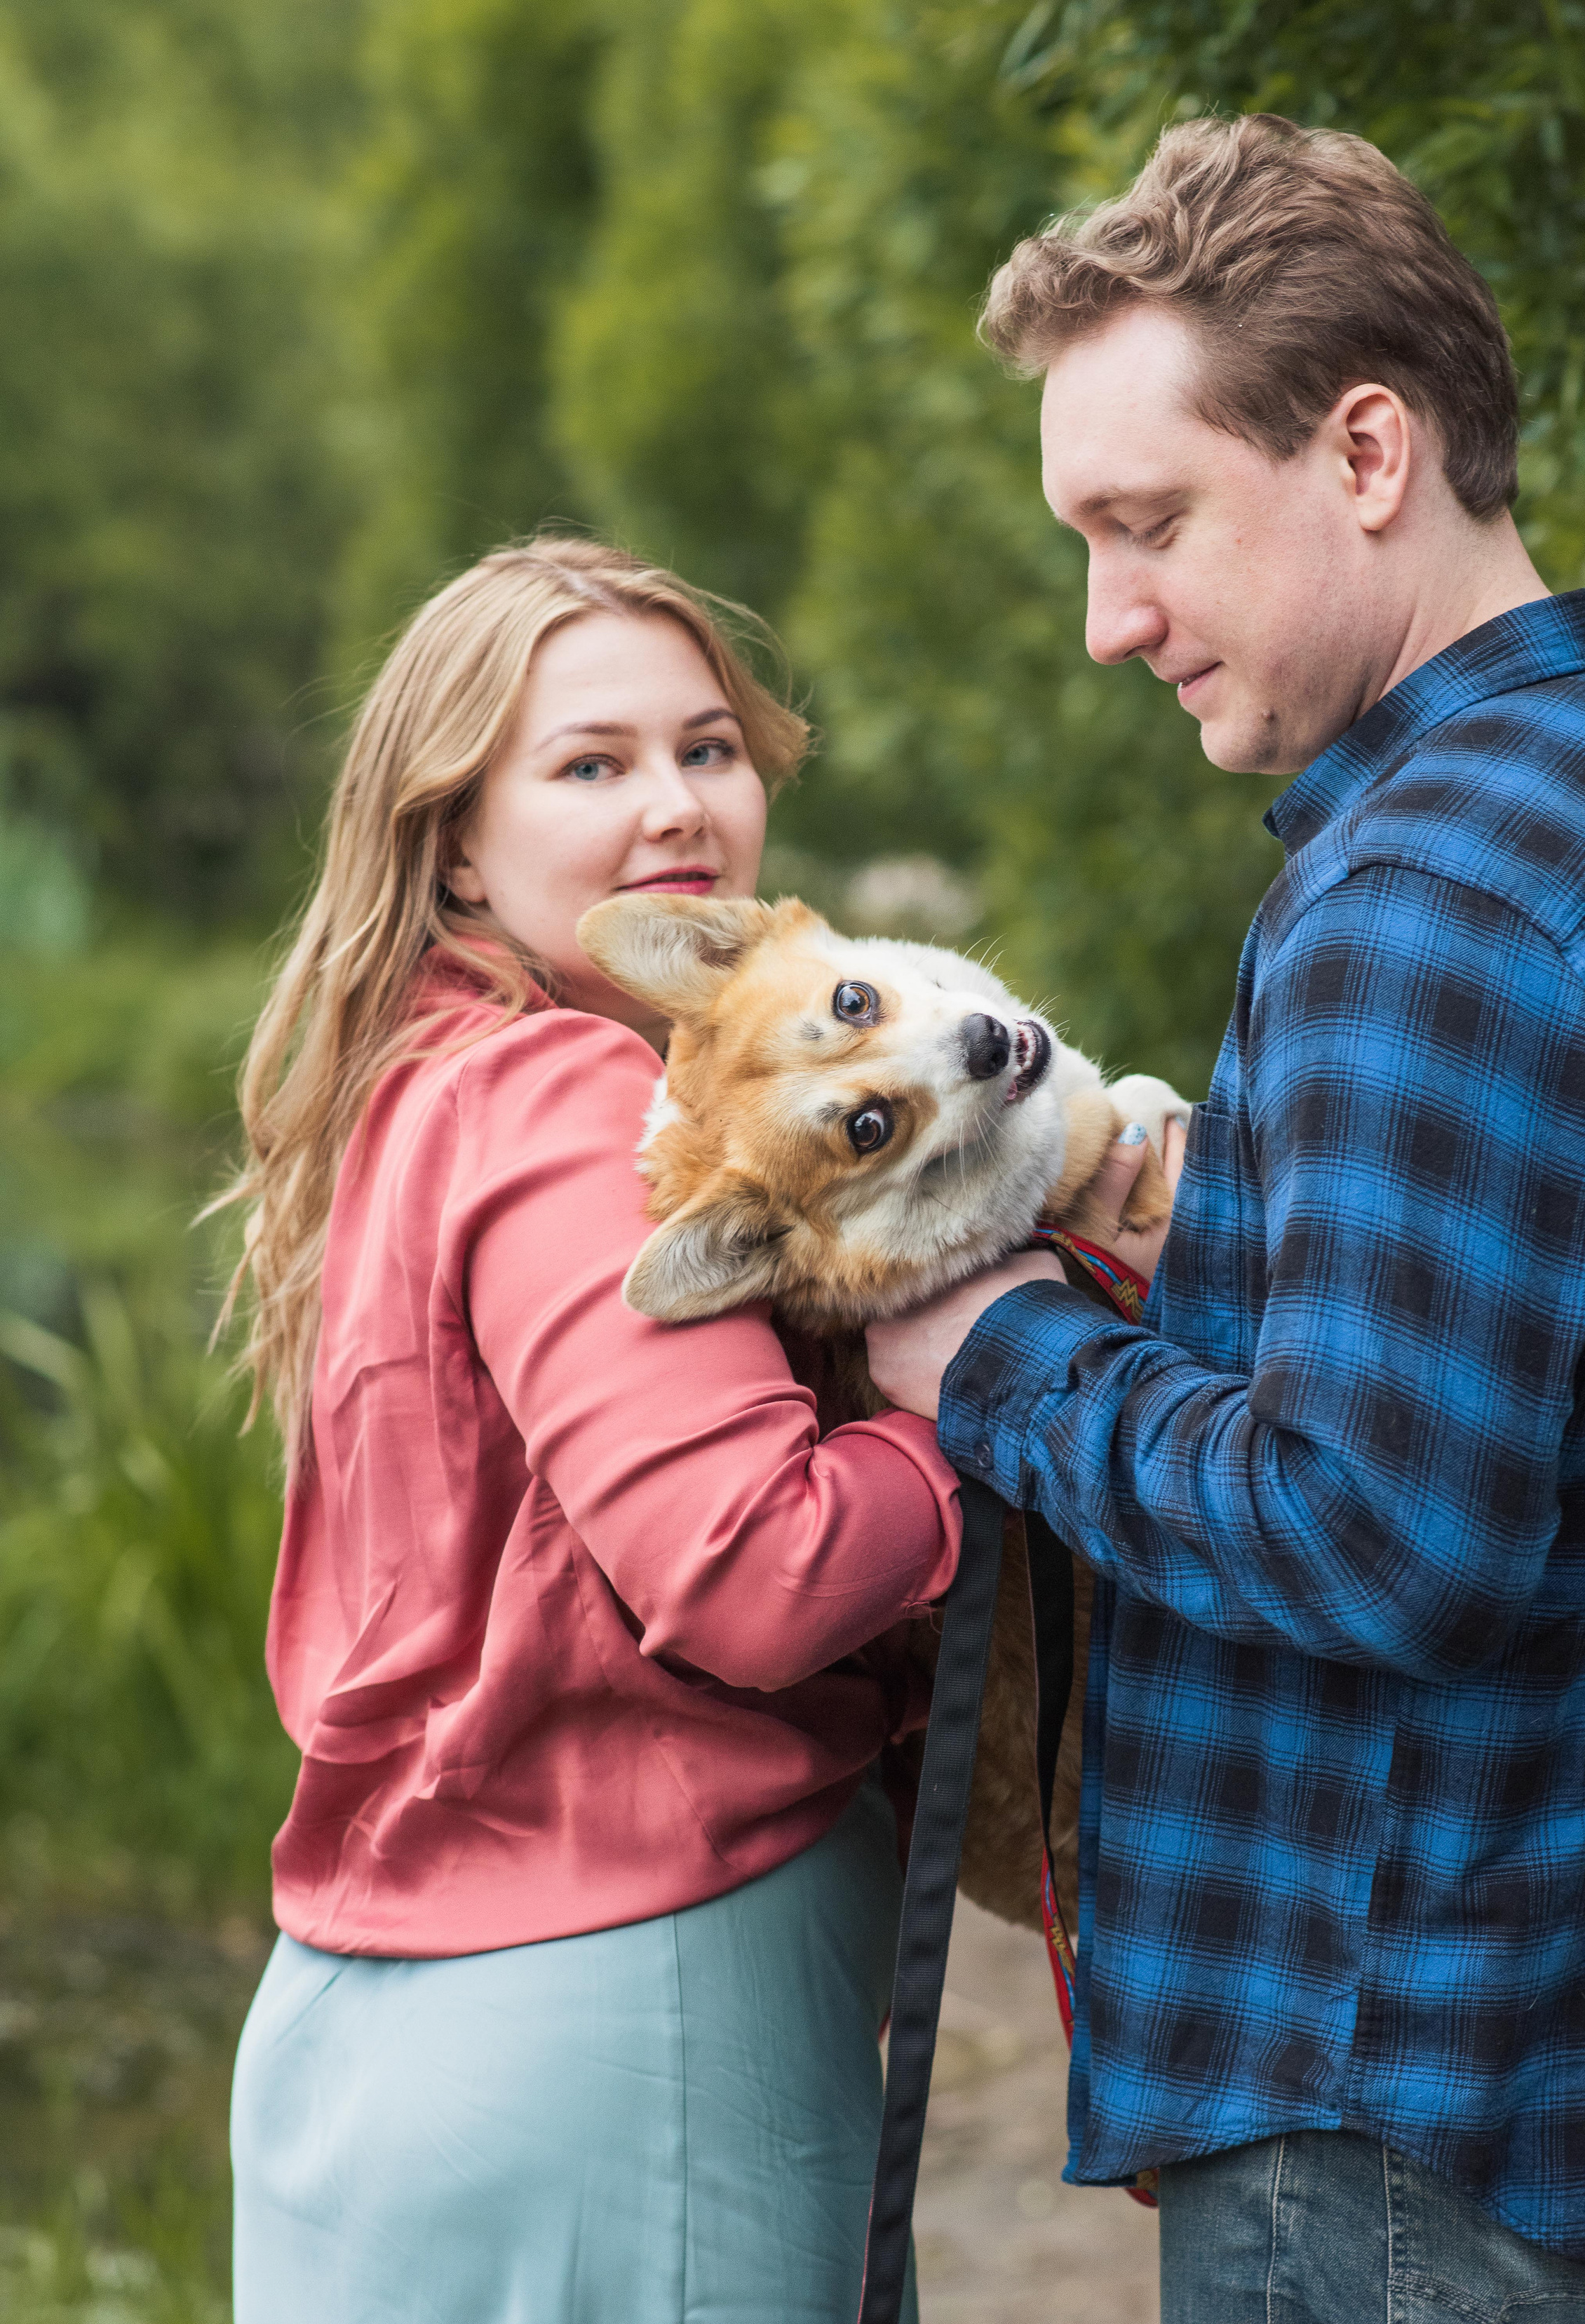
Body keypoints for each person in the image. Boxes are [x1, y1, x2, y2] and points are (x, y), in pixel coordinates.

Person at [868, 114, 1585, 2323]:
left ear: (1367, 448)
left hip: (1399, 2102)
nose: (1110, 622)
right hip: (1565, 2050)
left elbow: (1378, 1528)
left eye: (1148, 525)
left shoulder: (1431, 905)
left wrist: (985, 1354)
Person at [222, 535, 961, 2324]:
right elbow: (754, 1569)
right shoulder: (573, 1091)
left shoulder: (415, 1081)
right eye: (591, 764)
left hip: (387, 2010)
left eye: (707, 748)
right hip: (632, 2015)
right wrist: (975, 1403)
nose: (676, 807)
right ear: (453, 835)